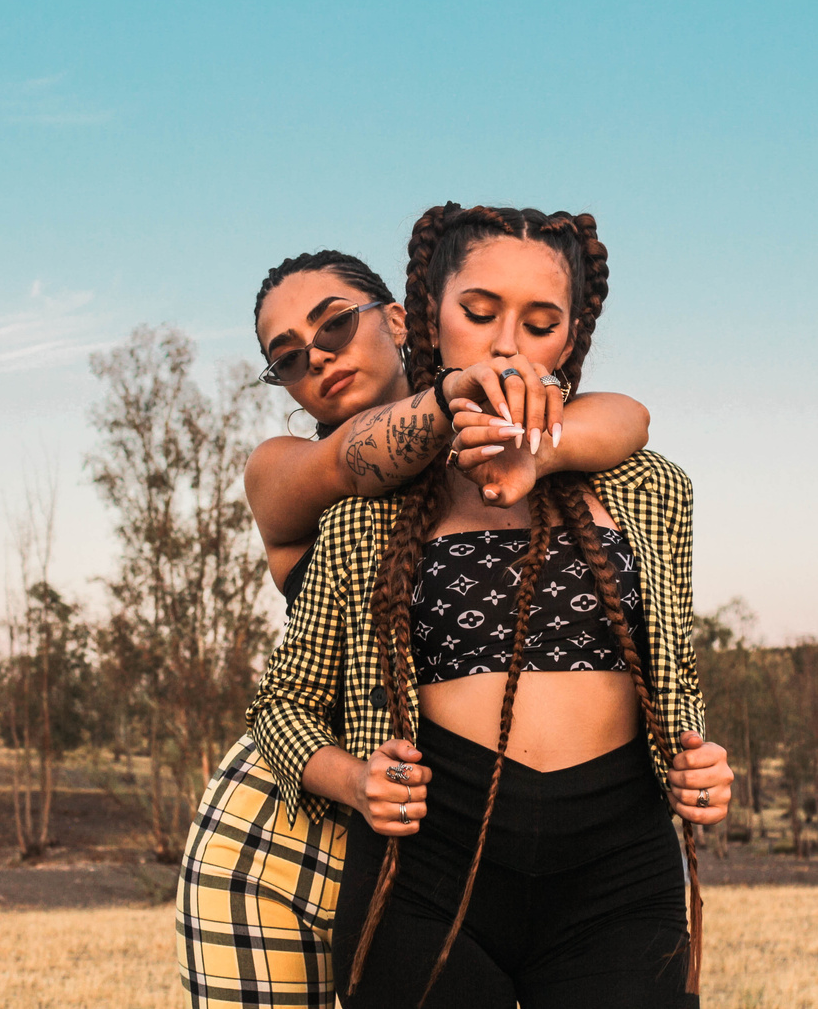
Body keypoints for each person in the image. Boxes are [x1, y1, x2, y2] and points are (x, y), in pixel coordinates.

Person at [246, 206, 733, 1009]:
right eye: (477, 313)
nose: (506, 344)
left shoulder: (648, 486)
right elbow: (284, 699)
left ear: (569, 338)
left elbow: (670, 666)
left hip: (618, 869)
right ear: (431, 318)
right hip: (421, 859)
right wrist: (358, 779)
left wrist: (695, 759)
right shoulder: (347, 502)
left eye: (539, 324)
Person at [177, 249, 652, 1009]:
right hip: (289, 818)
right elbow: (358, 460)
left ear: (397, 320)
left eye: (335, 324)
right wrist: (461, 395)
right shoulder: (286, 466)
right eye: (287, 356)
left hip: (449, 819)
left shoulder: (504, 458)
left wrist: (529, 428)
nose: (316, 356)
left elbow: (625, 417)